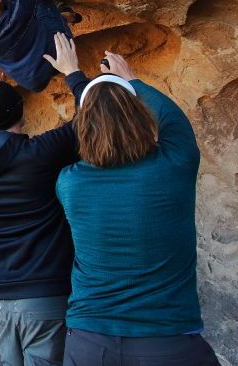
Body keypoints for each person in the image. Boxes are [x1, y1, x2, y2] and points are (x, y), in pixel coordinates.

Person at [43, 34, 220, 366]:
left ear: (83, 128)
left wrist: (75, 76)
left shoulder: (70, 183)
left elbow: (99, 121)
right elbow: (172, 118)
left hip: (89, 344)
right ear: (141, 116)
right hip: (167, 345)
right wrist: (130, 79)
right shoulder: (174, 166)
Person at [0, 67, 89, 366]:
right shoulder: (40, 153)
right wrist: (74, 74)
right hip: (43, 294)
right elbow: (91, 121)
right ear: (21, 112)